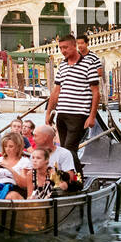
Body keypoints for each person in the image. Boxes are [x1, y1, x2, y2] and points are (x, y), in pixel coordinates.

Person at [46, 33, 100, 174]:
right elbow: (56, 91)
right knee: (64, 149)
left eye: (66, 47)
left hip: (79, 114)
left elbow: (96, 92)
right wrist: (48, 113)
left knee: (69, 149)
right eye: (61, 48)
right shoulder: (62, 65)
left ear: (74, 46)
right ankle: (68, 178)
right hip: (62, 114)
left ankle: (78, 179)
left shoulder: (89, 64)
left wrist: (92, 116)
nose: (63, 51)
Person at [0, 131, 29, 199]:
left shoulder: (24, 162)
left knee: (10, 196)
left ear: (18, 147)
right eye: (5, 146)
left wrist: (10, 169)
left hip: (16, 189)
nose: (7, 149)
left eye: (11, 146)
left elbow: (24, 185)